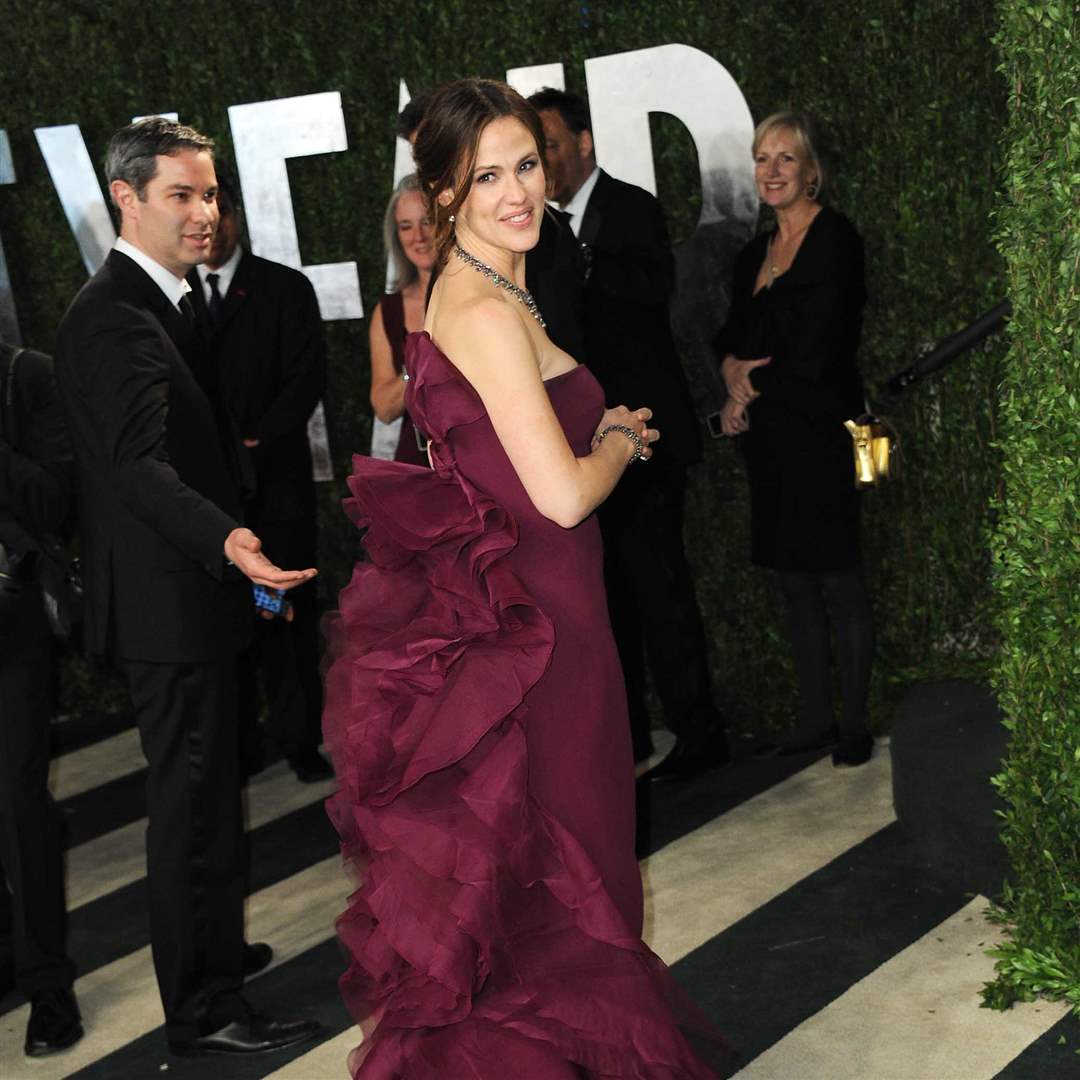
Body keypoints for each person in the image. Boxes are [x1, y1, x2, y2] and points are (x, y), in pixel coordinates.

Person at [322, 79, 727, 1077]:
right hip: (546, 632)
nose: (516, 192)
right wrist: (621, 439)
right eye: (486, 177)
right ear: (444, 194)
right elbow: (561, 496)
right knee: (576, 875)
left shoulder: (492, 288)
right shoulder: (485, 310)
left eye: (527, 165)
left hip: (541, 618)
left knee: (554, 882)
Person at [54, 117, 322, 1056]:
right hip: (168, 605)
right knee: (193, 809)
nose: (205, 212)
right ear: (125, 199)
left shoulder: (163, 298)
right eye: (182, 194)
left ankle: (216, 953)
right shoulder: (113, 315)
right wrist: (232, 541)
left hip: (191, 595)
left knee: (209, 799)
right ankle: (204, 1008)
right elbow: (136, 467)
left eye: (210, 193)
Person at [528, 87, 729, 779]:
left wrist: (581, 262)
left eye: (549, 146)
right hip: (581, 449)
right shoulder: (537, 236)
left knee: (660, 587)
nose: (542, 163)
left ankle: (699, 734)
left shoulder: (631, 208)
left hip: (646, 440)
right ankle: (629, 737)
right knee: (603, 598)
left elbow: (646, 296)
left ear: (583, 142)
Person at [714, 111, 874, 767]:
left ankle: (855, 724)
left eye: (786, 158)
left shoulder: (836, 239)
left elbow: (822, 348)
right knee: (793, 583)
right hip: (771, 444)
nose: (772, 170)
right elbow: (732, 337)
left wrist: (746, 389)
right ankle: (815, 720)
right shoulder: (752, 254)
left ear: (811, 171)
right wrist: (730, 374)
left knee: (838, 580)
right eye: (762, 158)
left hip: (821, 434)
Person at [187, 177, 332, 784]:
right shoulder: (174, 296)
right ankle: (241, 745)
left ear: (237, 216)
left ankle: (302, 739)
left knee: (288, 613)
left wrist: (257, 440)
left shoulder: (284, 288)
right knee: (227, 619)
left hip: (277, 488)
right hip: (210, 499)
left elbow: (307, 376)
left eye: (219, 210)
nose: (209, 223)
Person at [0, 338, 80, 1057]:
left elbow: (55, 501)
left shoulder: (25, 376)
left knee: (18, 803)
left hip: (10, 620)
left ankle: (48, 985)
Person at [368, 174, 434, 465]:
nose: (418, 236)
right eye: (406, 226)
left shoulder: (481, 295)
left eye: (427, 221)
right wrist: (418, 366)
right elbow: (384, 408)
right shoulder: (388, 310)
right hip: (420, 463)